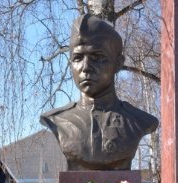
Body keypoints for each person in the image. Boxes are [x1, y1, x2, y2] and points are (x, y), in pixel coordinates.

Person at [40, 14, 158, 171]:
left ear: (118, 64)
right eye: (77, 58)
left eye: (97, 57)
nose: (86, 67)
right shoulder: (56, 119)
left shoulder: (138, 121)